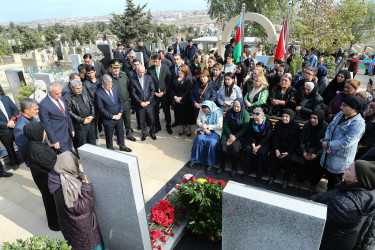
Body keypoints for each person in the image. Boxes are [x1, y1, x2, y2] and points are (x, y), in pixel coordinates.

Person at [311, 160, 375, 250]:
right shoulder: (357, 189)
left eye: (349, 169)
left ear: (357, 179)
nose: (345, 168)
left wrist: (313, 199)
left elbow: (313, 216)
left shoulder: (344, 205)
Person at [48, 151, 103, 250]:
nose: (76, 166)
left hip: (71, 226)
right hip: (82, 231)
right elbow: (81, 208)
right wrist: (86, 187)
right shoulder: (66, 187)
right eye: (75, 163)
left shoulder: (56, 177)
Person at [321, 95, 366, 190]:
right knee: (329, 178)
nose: (341, 107)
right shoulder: (340, 114)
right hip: (328, 153)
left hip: (340, 158)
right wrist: (326, 140)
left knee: (335, 183)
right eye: (342, 104)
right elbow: (330, 127)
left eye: (344, 105)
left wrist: (328, 145)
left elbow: (346, 142)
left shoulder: (358, 124)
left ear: (353, 109)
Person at [23, 122, 59, 231]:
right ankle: (55, 224)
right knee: (51, 202)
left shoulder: (33, 143)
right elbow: (54, 166)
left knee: (50, 200)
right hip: (46, 180)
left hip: (42, 178)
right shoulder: (38, 150)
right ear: (36, 133)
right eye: (43, 131)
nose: (45, 133)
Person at [292, 109, 328, 193]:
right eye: (311, 118)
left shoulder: (326, 127)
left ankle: (313, 184)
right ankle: (298, 179)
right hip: (307, 148)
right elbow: (302, 141)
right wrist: (304, 151)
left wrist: (317, 154)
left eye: (315, 118)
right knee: (300, 161)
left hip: (318, 151)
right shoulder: (307, 125)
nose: (312, 120)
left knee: (316, 165)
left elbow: (325, 144)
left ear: (320, 118)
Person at [94, 75, 132, 152]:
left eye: (111, 84)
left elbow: (120, 101)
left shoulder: (115, 88)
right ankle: (110, 148)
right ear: (103, 84)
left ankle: (122, 145)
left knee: (120, 132)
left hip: (118, 116)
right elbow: (101, 109)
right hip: (108, 119)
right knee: (109, 135)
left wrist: (120, 112)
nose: (110, 86)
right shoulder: (98, 93)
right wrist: (112, 116)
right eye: (108, 84)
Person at [217, 98, 249, 177]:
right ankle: (222, 165)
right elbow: (226, 125)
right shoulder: (229, 112)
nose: (236, 108)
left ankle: (234, 167)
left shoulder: (245, 114)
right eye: (234, 106)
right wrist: (230, 135)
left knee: (235, 147)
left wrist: (235, 137)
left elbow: (245, 129)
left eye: (238, 107)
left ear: (241, 106)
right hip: (229, 134)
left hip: (239, 135)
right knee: (223, 144)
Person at [39, 83, 75, 153]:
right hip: (58, 135)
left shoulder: (61, 99)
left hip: (68, 132)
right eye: (56, 94)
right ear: (49, 93)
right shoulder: (43, 105)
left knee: (70, 152)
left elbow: (67, 115)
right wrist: (54, 140)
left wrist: (71, 128)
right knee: (66, 156)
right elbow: (46, 124)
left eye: (60, 93)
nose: (59, 95)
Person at [268, 109, 300, 187]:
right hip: (279, 148)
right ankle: (272, 176)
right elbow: (275, 138)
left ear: (291, 117)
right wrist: (276, 149)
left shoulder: (296, 126)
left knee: (289, 160)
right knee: (273, 156)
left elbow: (295, 141)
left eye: (286, 116)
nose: (284, 118)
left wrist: (288, 152)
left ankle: (286, 179)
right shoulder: (278, 124)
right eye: (283, 116)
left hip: (290, 150)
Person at [189, 101, 223, 171]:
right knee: (198, 139)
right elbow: (198, 121)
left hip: (215, 131)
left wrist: (208, 126)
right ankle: (195, 160)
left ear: (210, 107)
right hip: (204, 129)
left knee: (211, 142)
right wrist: (205, 129)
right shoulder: (202, 110)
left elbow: (219, 126)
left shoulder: (218, 111)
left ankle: (210, 163)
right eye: (204, 110)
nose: (206, 111)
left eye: (207, 109)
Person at [107, 59, 136, 141]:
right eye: (114, 68)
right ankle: (118, 134)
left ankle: (129, 133)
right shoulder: (108, 79)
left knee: (127, 118)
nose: (116, 69)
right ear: (111, 68)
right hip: (115, 104)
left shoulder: (124, 76)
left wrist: (129, 96)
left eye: (118, 68)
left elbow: (128, 87)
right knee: (117, 119)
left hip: (126, 102)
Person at [243, 108, 272, 180]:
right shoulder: (251, 122)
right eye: (255, 120)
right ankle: (248, 170)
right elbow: (250, 135)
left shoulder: (268, 123)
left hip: (264, 143)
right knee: (248, 149)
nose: (256, 122)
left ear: (262, 117)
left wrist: (258, 147)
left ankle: (260, 173)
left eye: (258, 120)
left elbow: (267, 137)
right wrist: (253, 146)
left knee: (262, 152)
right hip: (253, 142)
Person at [65, 79, 96, 149]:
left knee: (92, 143)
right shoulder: (67, 98)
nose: (80, 90)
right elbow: (69, 112)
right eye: (77, 88)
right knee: (82, 146)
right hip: (80, 126)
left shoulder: (84, 92)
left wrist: (92, 115)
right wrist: (82, 120)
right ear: (72, 88)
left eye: (81, 88)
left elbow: (91, 104)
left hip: (90, 123)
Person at [130, 65, 157, 141]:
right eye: (140, 72)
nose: (141, 74)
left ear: (145, 71)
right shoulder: (133, 80)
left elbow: (152, 90)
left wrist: (148, 101)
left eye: (142, 72)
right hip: (140, 104)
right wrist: (140, 102)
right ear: (137, 71)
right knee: (142, 120)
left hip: (150, 103)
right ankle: (144, 133)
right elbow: (133, 93)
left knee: (151, 119)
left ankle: (152, 132)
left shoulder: (149, 78)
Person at [148, 54, 173, 134]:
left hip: (164, 94)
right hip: (154, 94)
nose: (154, 63)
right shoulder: (150, 69)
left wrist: (164, 91)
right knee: (155, 111)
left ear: (160, 60)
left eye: (156, 62)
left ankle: (168, 125)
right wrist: (154, 92)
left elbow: (169, 81)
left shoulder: (166, 68)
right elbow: (149, 82)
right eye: (153, 62)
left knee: (166, 110)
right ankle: (157, 126)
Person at [170, 64, 195, 136]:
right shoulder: (175, 78)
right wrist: (175, 97)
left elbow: (188, 91)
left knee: (187, 115)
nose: (179, 71)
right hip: (177, 100)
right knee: (179, 115)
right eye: (179, 70)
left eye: (181, 70)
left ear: (185, 71)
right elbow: (172, 89)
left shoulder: (188, 79)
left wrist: (181, 97)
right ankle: (181, 128)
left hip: (185, 101)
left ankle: (188, 129)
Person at [82, 65, 102, 145]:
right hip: (93, 106)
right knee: (95, 123)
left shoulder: (100, 80)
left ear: (95, 72)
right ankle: (97, 137)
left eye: (92, 72)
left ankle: (110, 135)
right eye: (89, 73)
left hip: (103, 104)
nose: (91, 75)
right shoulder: (85, 84)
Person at [14, 98, 38, 163]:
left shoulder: (32, 118)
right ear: (27, 110)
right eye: (35, 109)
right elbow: (23, 149)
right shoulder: (20, 127)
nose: (37, 111)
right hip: (34, 160)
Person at [0, 94, 20, 167]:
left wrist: (12, 119)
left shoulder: (6, 98)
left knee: (21, 144)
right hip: (3, 130)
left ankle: (27, 159)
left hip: (14, 126)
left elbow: (15, 109)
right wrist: (6, 124)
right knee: (9, 148)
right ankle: (14, 163)